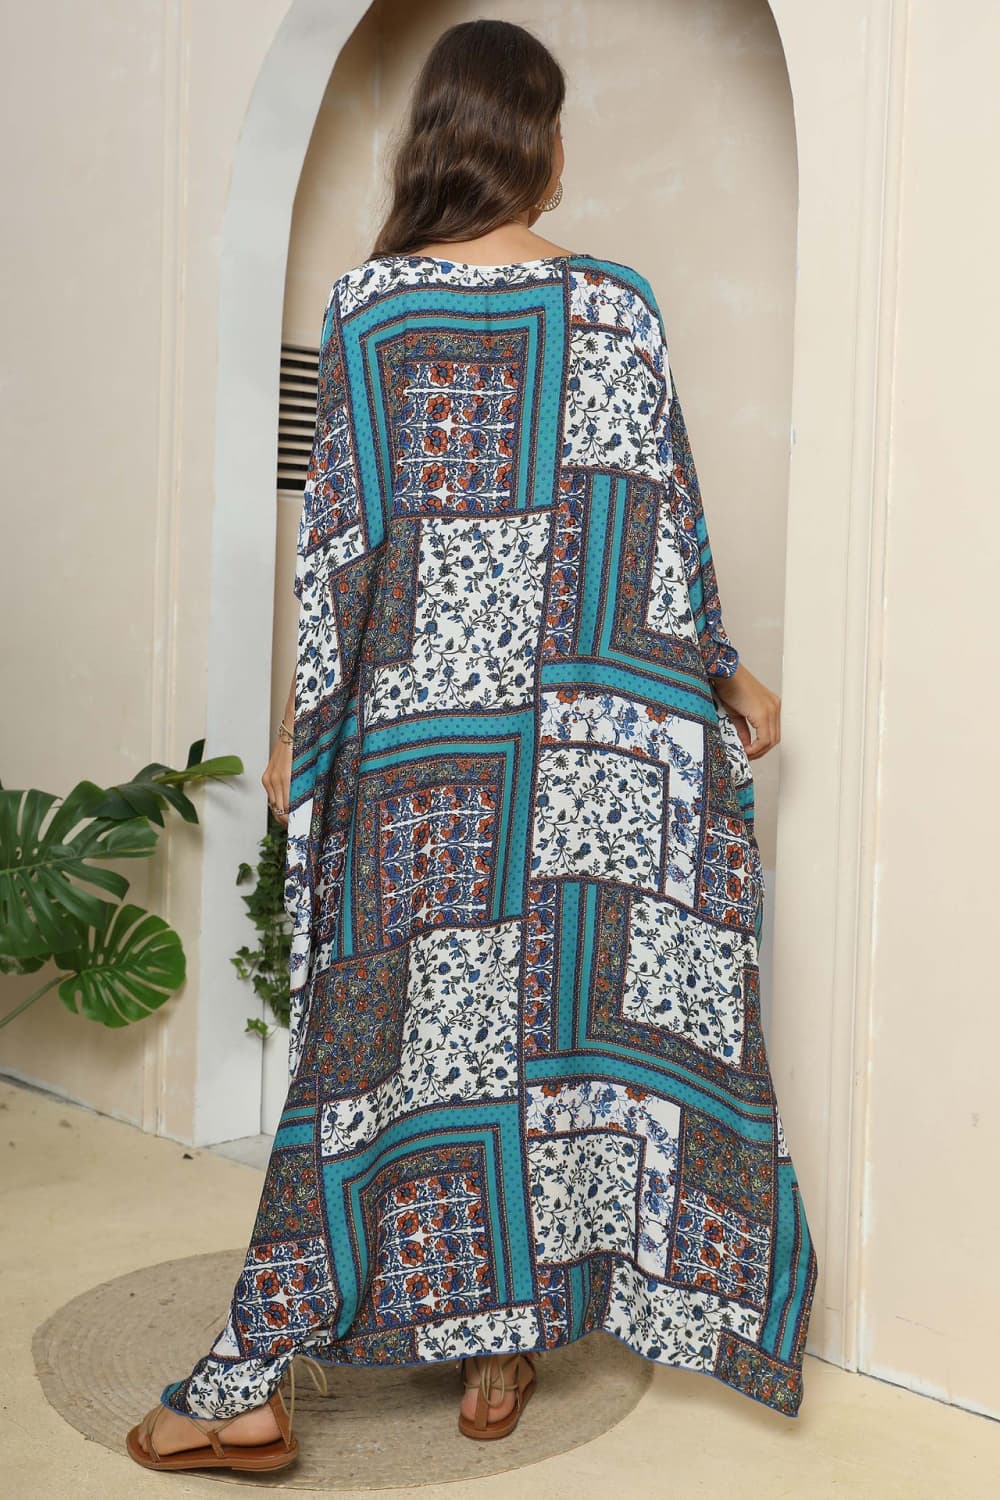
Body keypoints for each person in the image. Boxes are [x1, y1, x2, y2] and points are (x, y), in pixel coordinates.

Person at [128, 16, 817, 1475]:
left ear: (438, 140)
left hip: (426, 760)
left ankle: (298, 1374)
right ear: (538, 145)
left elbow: (343, 556)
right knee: (547, 1041)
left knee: (386, 1058)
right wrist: (724, 672)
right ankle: (496, 1344)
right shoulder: (613, 306)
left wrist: (302, 735)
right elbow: (660, 536)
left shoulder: (369, 311)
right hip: (584, 763)